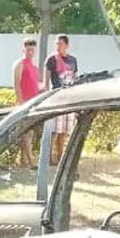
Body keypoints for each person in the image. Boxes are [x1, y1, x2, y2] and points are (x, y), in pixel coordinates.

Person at [43, 34, 79, 164]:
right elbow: (46, 81)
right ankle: (49, 157)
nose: (58, 46)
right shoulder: (51, 59)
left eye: (60, 44)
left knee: (65, 130)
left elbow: (75, 78)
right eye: (56, 44)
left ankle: (60, 157)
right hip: (57, 98)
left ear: (67, 45)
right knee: (55, 129)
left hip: (69, 98)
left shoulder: (73, 60)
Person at [12, 37, 42, 168]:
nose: (30, 52)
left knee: (29, 132)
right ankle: (31, 161)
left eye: (32, 50)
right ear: (23, 49)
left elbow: (35, 85)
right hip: (24, 103)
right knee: (26, 133)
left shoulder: (34, 67)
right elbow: (16, 84)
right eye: (28, 49)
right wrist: (21, 102)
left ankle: (23, 160)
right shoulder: (20, 64)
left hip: (34, 103)